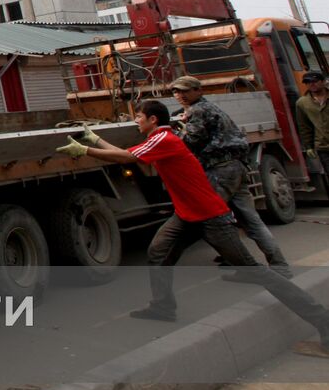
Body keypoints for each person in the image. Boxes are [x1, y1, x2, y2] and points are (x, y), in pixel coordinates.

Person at [57, 101, 329, 354]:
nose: (135, 121)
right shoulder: (157, 138)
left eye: (138, 117)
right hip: (187, 214)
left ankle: (322, 320)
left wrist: (85, 151)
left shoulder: (164, 139)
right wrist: (94, 139)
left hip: (211, 217)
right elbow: (127, 154)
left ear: (152, 119)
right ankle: (163, 306)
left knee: (256, 272)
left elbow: (126, 158)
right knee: (158, 252)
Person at [170, 75, 290, 277]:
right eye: (176, 92)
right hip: (236, 167)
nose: (180, 95)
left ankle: (246, 268)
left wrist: (177, 130)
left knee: (214, 220)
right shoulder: (208, 108)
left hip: (220, 170)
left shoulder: (197, 110)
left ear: (198, 91)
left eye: (185, 91)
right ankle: (279, 265)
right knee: (251, 220)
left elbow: (190, 141)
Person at [295, 71, 329, 172]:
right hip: (324, 147)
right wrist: (309, 146)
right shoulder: (302, 103)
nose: (311, 84)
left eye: (314, 81)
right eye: (308, 82)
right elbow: (304, 126)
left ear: (323, 82)